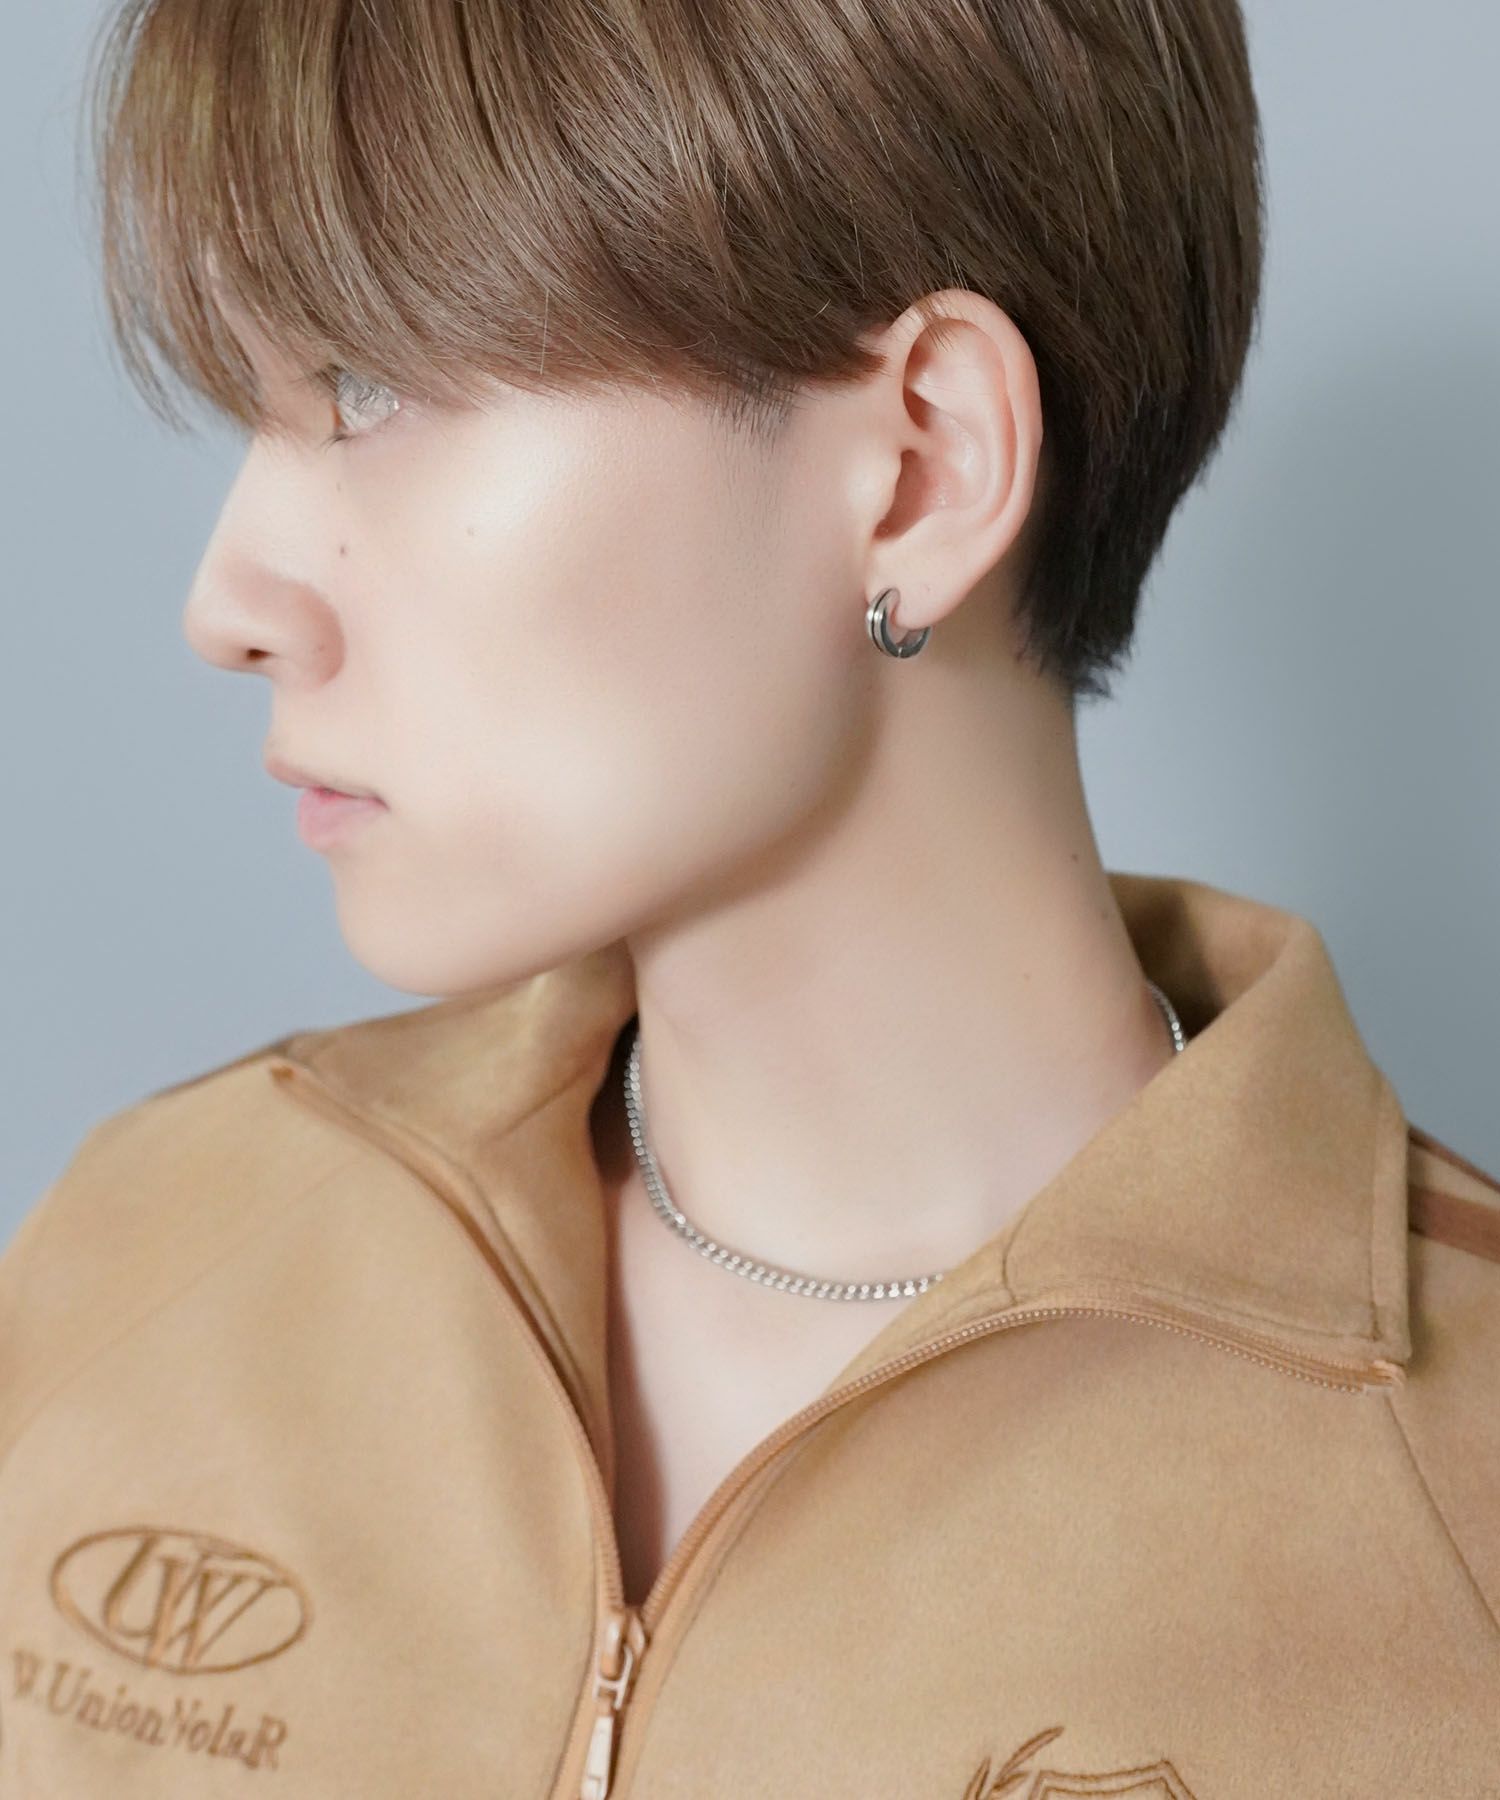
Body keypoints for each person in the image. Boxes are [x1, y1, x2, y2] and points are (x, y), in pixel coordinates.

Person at [3, 0, 1496, 1793]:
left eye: (371, 389)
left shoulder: (1461, 1505)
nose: (228, 602)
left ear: (923, 466)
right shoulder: (149, 1257)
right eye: (262, 408)